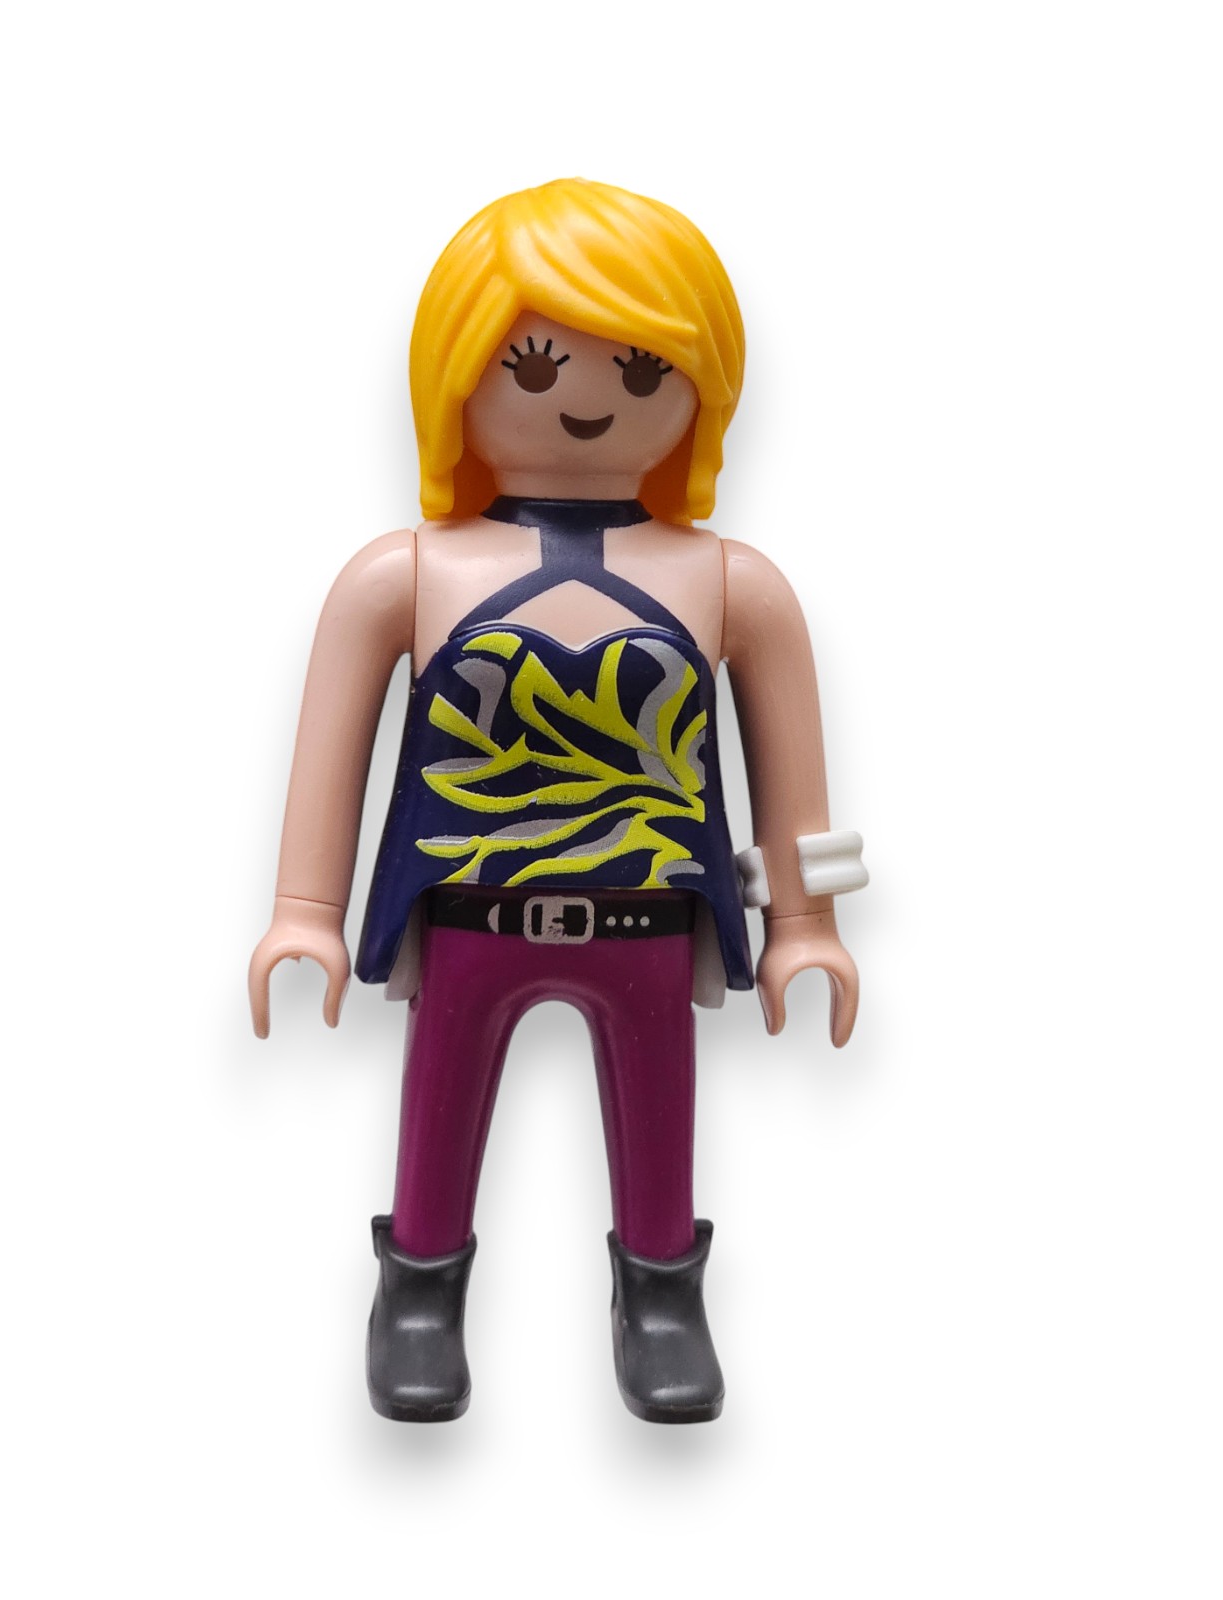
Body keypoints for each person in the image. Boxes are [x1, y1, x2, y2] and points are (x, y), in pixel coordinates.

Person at [249, 178, 866, 1424]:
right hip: (468, 914)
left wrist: (807, 925)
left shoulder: (733, 584)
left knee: (659, 1127)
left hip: (650, 921)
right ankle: (418, 1291)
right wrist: (303, 912)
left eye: (643, 368)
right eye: (530, 363)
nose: (588, 398)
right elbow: (333, 751)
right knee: (436, 1122)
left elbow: (793, 779)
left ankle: (662, 1295)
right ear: (456, 371)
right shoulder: (403, 573)